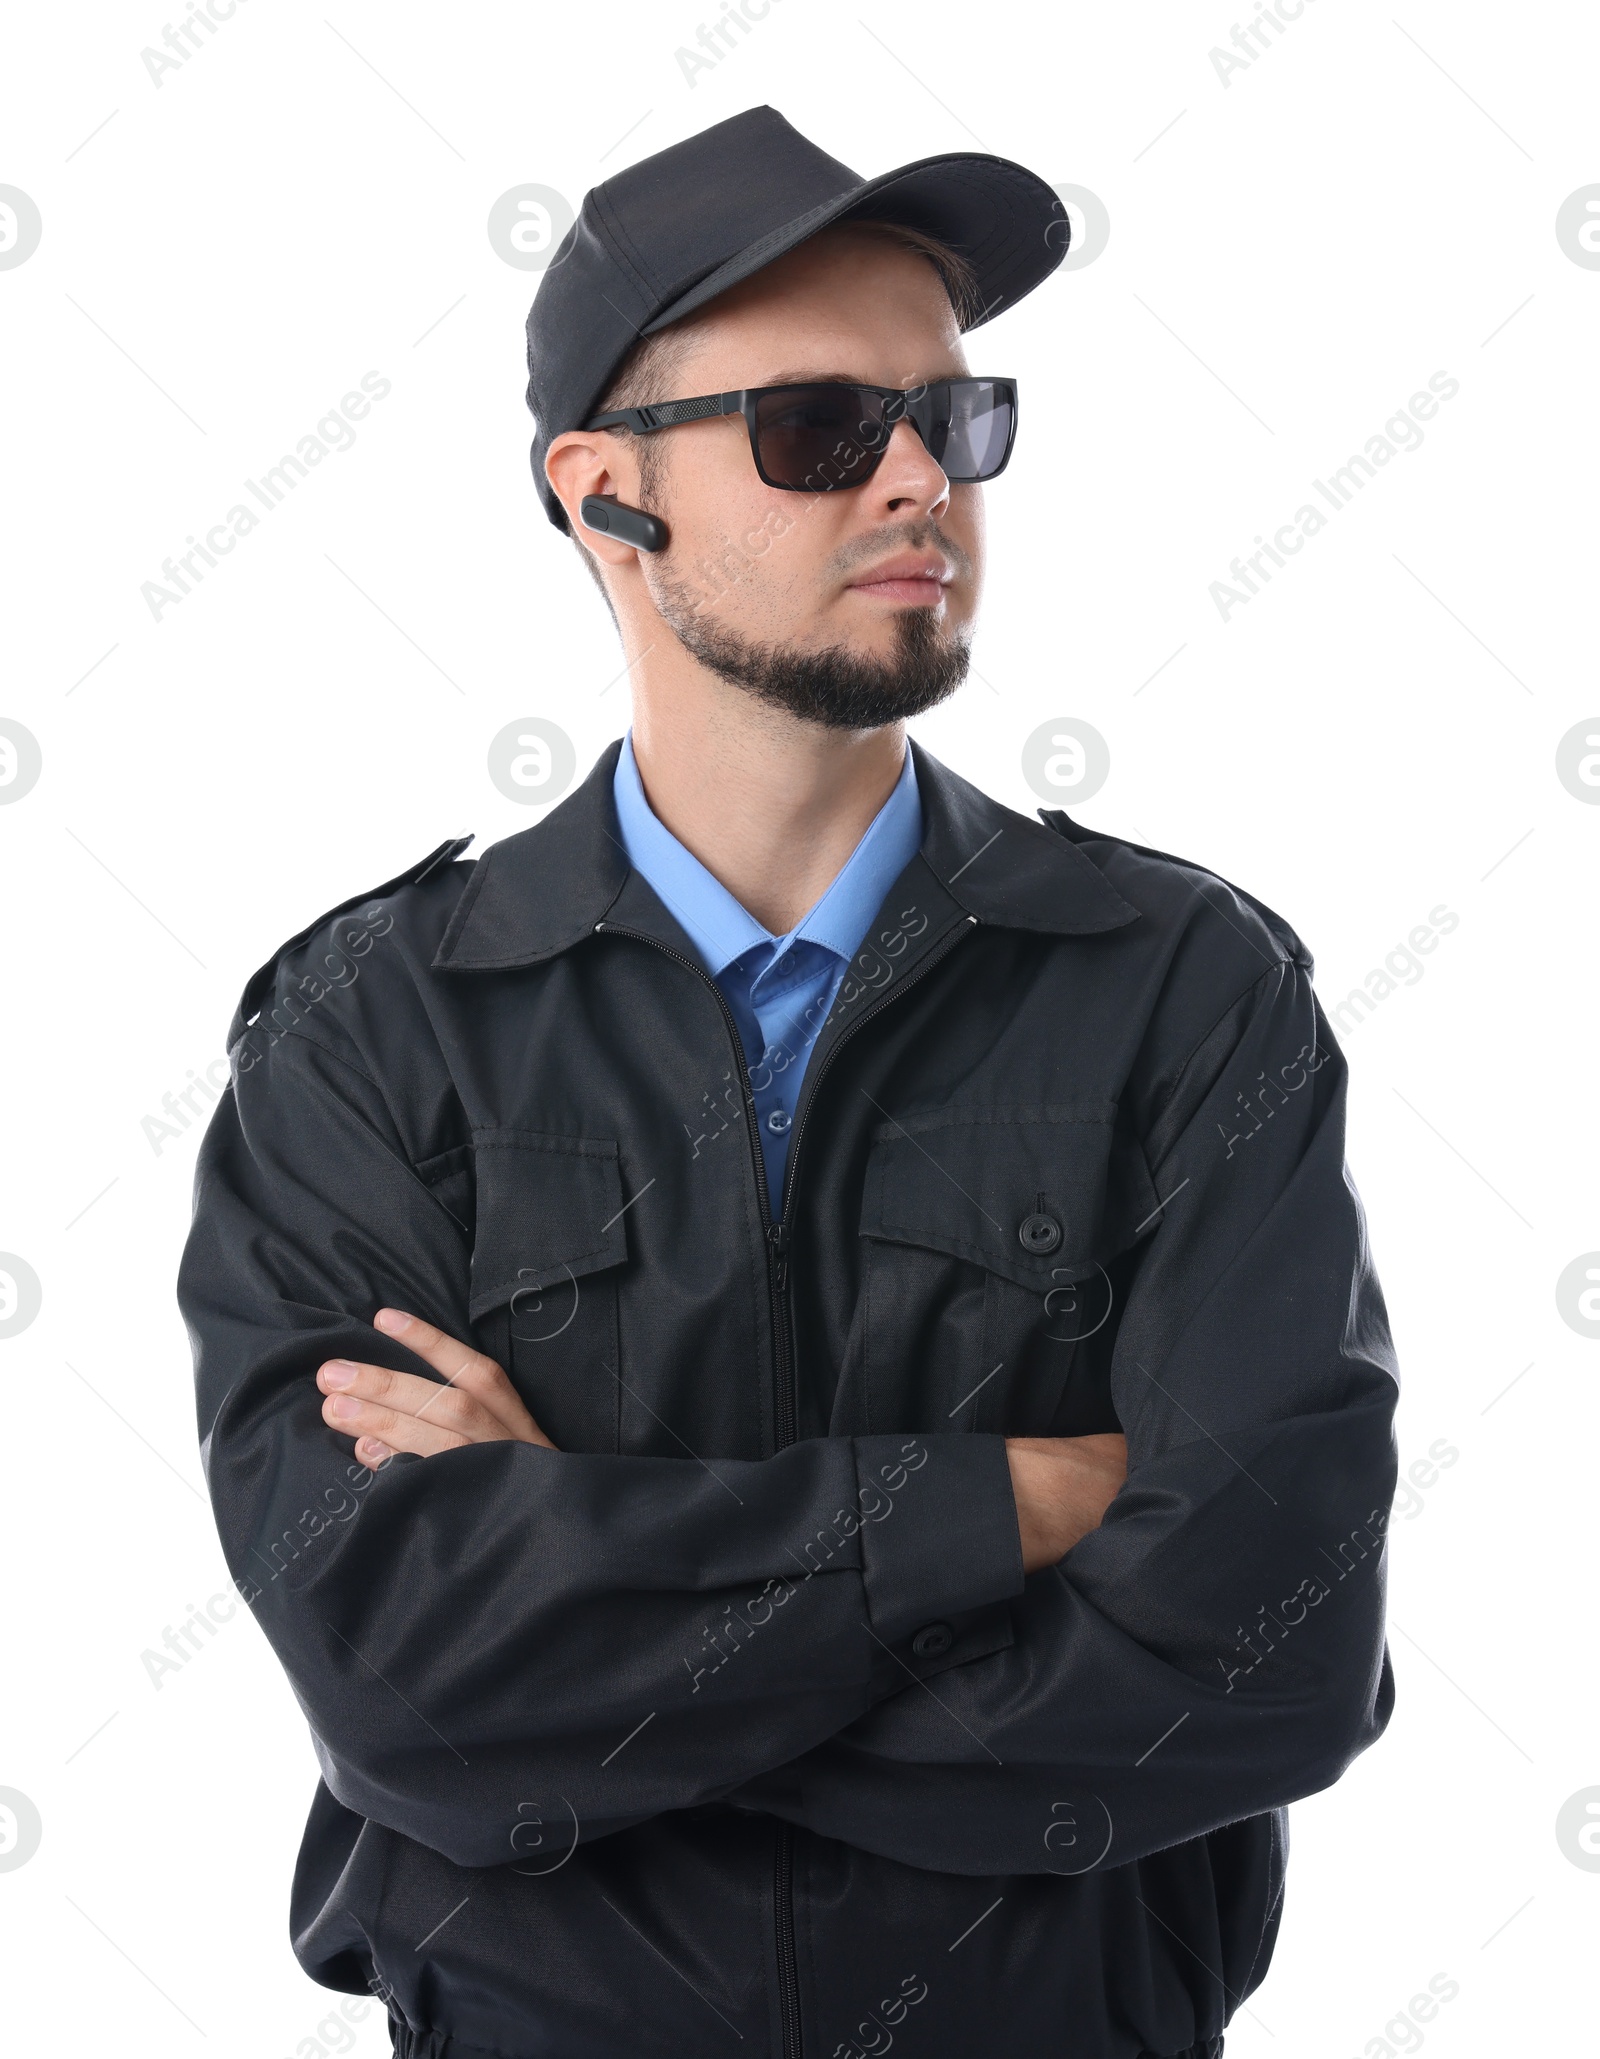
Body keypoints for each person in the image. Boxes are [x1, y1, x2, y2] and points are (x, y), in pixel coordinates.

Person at [179, 105, 1399, 2059]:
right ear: (601, 495)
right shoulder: (369, 1030)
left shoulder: (1181, 992)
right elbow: (411, 1690)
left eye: (957, 417)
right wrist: (1003, 1503)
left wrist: (593, 1656)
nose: (921, 478)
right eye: (821, 427)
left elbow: (1268, 1648)